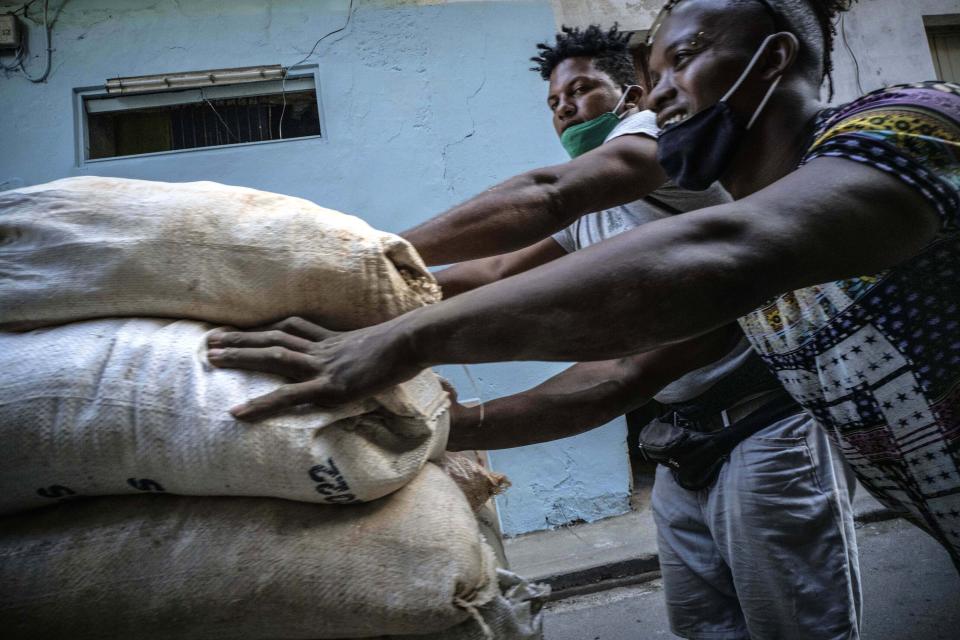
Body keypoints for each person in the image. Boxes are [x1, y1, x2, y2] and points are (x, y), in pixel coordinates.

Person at [207, 0, 960, 605]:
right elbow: (568, 328)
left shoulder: (906, 126)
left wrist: (397, 324)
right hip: (703, 447)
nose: (661, 91)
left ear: (771, 61)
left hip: (756, 432)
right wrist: (364, 311)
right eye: (556, 101)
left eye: (682, 61)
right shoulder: (741, 255)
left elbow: (694, 248)